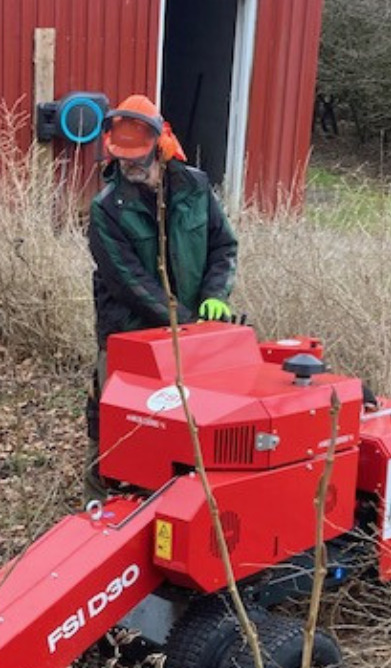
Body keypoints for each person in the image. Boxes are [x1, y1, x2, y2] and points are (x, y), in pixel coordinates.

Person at [85, 95, 238, 488]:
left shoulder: (195, 188)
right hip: (131, 327)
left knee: (188, 414)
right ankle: (103, 491)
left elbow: (224, 246)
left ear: (159, 147)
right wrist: (185, 323)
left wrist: (215, 296)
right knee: (116, 415)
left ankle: (175, 487)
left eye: (136, 157)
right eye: (122, 157)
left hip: (191, 324)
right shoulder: (107, 208)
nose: (128, 165)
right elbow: (129, 281)